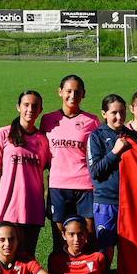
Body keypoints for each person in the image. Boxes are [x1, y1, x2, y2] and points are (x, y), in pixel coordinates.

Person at [0, 91, 51, 257]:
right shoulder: (3, 134)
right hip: (9, 207)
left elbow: (45, 169)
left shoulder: (42, 140)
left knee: (28, 256)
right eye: (26, 105)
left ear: (40, 110)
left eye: (35, 106)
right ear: (18, 107)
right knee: (6, 255)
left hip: (33, 208)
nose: (30, 109)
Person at [42, 75, 99, 251]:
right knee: (60, 237)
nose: (72, 95)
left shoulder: (92, 121)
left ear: (84, 94)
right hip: (58, 185)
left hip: (84, 185)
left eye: (77, 91)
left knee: (88, 235)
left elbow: (96, 154)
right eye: (68, 91)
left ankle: (90, 273)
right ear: (60, 92)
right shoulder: (48, 120)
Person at [88, 94, 131, 251]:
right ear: (104, 113)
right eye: (114, 113)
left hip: (130, 201)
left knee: (129, 249)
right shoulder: (96, 136)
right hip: (106, 201)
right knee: (106, 248)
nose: (119, 117)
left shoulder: (131, 136)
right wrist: (115, 152)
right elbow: (95, 171)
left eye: (122, 112)